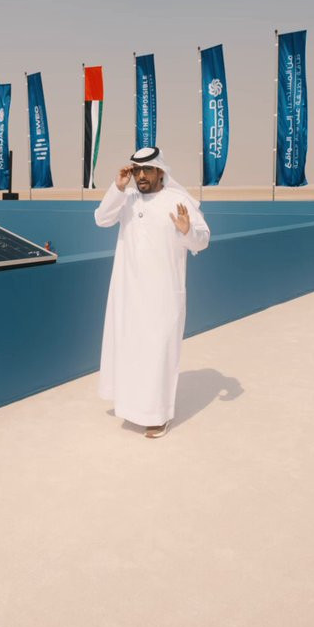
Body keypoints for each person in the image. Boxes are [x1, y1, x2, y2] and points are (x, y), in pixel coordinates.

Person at [94, 146, 210, 438]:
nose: (141, 176)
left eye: (147, 170)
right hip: (129, 294)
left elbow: (202, 241)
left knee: (159, 354)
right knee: (131, 352)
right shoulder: (127, 199)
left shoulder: (178, 200)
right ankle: (131, 407)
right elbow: (101, 219)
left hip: (163, 295)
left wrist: (187, 231)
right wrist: (117, 187)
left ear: (161, 171)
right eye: (136, 170)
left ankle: (158, 415)